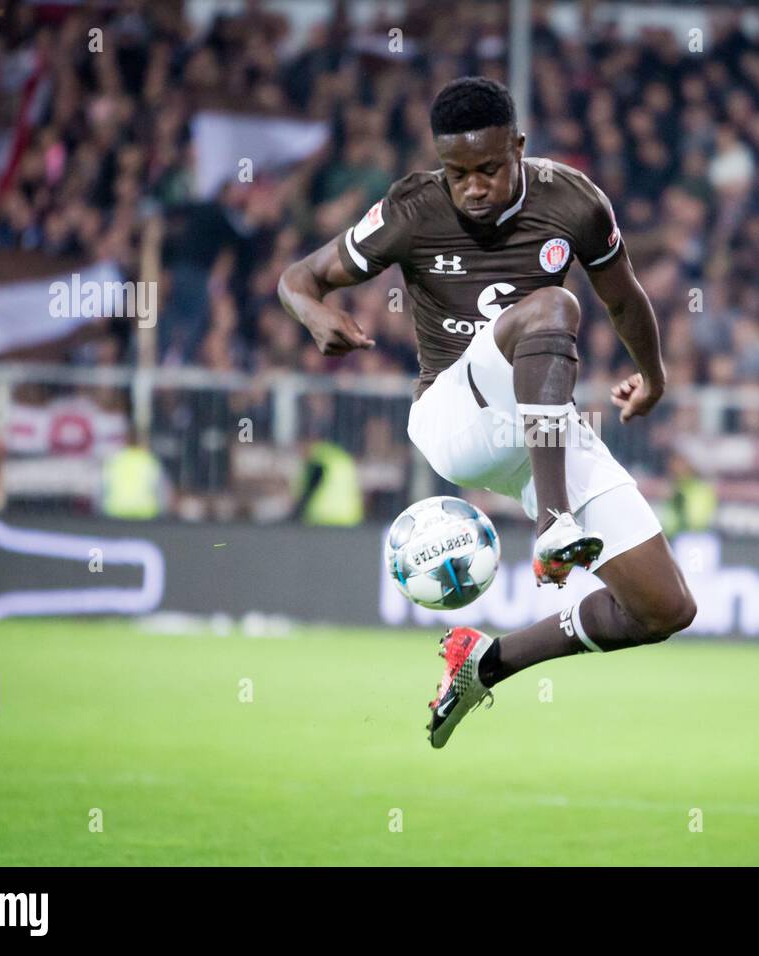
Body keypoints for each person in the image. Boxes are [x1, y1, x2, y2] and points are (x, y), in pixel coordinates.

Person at [279, 76, 697, 748]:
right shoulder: (410, 210)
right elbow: (298, 277)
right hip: (453, 416)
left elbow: (625, 298)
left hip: (540, 424)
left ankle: (484, 664)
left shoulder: (575, 202)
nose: (473, 185)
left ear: (519, 148)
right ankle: (554, 523)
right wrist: (314, 313)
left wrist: (652, 376)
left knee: (662, 608)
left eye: (489, 168)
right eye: (458, 172)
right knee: (553, 307)